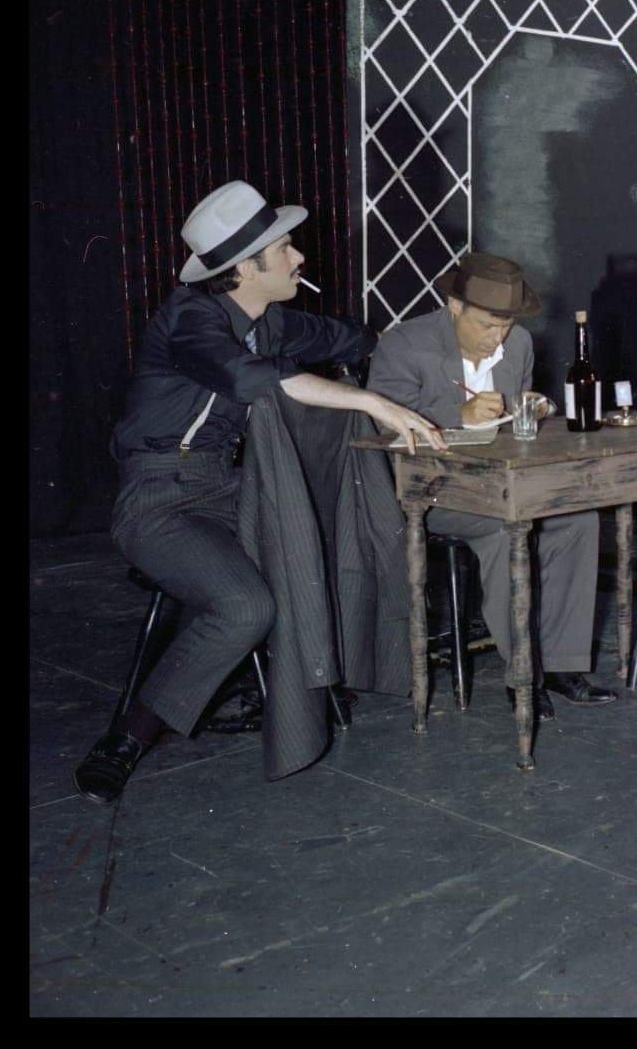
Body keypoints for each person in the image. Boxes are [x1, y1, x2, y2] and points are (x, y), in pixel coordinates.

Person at [73, 180, 444, 805]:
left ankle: (316, 675)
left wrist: (442, 370)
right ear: (248, 266)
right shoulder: (191, 320)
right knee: (246, 606)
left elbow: (358, 341)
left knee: (326, 536)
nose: (300, 257)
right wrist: (368, 400)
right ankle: (127, 736)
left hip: (226, 485)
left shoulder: (269, 320)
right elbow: (255, 379)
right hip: (159, 497)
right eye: (287, 246)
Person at [367, 252, 617, 717]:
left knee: (578, 517)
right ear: (453, 305)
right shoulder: (405, 345)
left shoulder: (518, 343)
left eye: (504, 325)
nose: (496, 337)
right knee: (509, 528)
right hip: (429, 493)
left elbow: (506, 430)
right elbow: (383, 434)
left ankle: (560, 664)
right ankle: (523, 672)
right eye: (486, 325)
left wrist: (533, 412)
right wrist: (453, 418)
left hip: (498, 485)